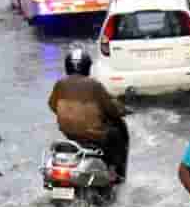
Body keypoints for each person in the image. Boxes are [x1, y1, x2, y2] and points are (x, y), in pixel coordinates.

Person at [48, 46, 130, 183]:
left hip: (70, 135)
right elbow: (111, 108)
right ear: (87, 67)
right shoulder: (94, 85)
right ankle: (114, 173)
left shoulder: (59, 84)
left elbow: (52, 105)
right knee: (116, 135)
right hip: (94, 137)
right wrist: (124, 109)